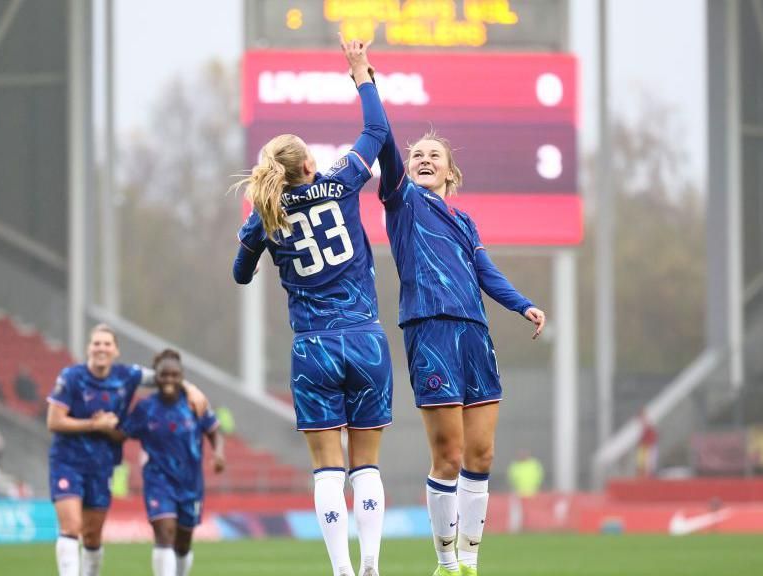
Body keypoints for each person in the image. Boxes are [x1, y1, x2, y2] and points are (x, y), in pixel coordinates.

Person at [375, 68, 547, 576]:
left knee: (482, 454)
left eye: (435, 156)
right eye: (417, 155)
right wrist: (366, 81)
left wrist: (522, 304)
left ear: (450, 173)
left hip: (475, 334)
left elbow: (485, 272)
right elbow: (383, 142)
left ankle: (469, 562)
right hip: (430, 331)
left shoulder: (465, 220)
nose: (424, 160)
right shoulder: (402, 202)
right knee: (447, 455)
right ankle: (445, 562)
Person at [231, 36, 392, 576]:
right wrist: (360, 73)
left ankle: (341, 569)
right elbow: (376, 132)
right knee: (365, 463)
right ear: (306, 162)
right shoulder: (341, 181)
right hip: (364, 337)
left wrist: (250, 236)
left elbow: (240, 274)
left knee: (326, 466)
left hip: (314, 347)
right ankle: (371, 560)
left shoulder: (265, 218)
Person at [46, 323, 208, 576]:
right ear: (89, 348)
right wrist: (93, 424)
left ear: (116, 351)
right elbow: (54, 421)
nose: (101, 348)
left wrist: (190, 388)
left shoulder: (127, 375)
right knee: (71, 526)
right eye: (97, 343)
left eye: (107, 344)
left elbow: (164, 375)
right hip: (68, 462)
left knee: (92, 535)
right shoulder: (71, 378)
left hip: (102, 464)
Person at [117, 349, 225, 576]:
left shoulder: (194, 402)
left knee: (183, 543)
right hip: (158, 481)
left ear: (181, 376)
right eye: (164, 375)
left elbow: (214, 430)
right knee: (165, 533)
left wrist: (218, 453)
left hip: (190, 484)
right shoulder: (145, 408)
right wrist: (102, 424)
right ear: (156, 377)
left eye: (174, 375)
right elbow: (122, 433)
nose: (169, 379)